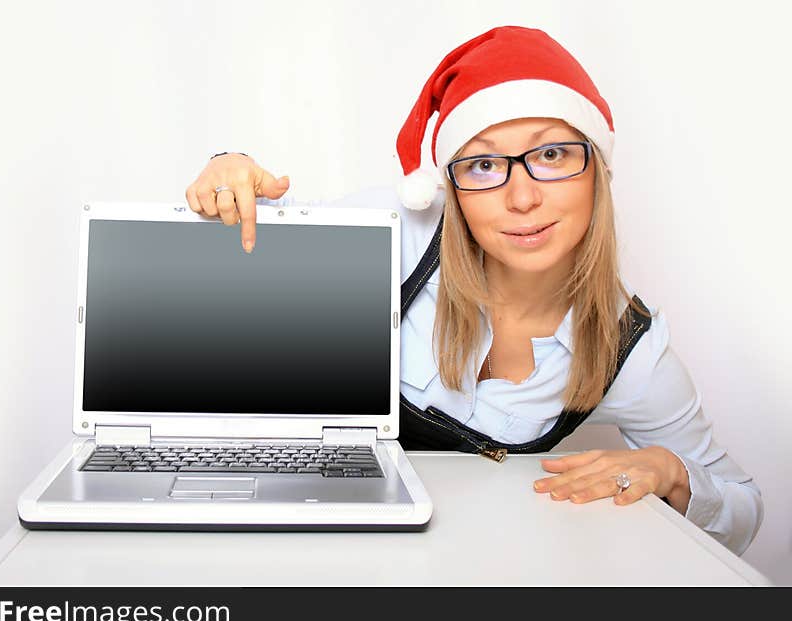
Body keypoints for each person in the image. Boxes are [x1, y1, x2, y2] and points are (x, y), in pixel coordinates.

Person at [184, 26, 762, 555]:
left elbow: (742, 506)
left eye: (552, 154)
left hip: (485, 570)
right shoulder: (398, 234)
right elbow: (255, 232)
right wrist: (227, 172)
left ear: (598, 172)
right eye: (485, 165)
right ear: (452, 185)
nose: (522, 198)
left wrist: (670, 472)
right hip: (320, 545)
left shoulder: (627, 344)